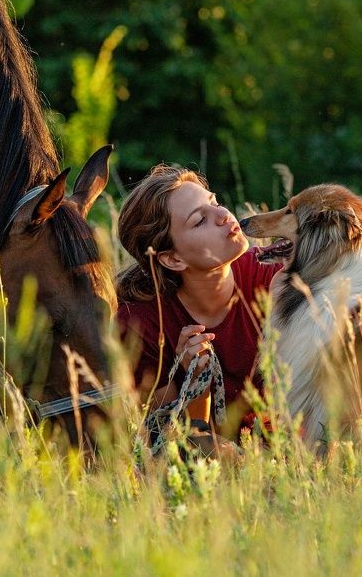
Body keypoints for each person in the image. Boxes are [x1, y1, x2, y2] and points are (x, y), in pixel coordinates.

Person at [115, 165, 282, 455]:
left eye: (214, 202)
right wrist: (195, 388)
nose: (224, 216)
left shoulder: (274, 277)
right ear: (172, 259)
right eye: (200, 220)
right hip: (212, 470)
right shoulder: (139, 324)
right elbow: (171, 444)